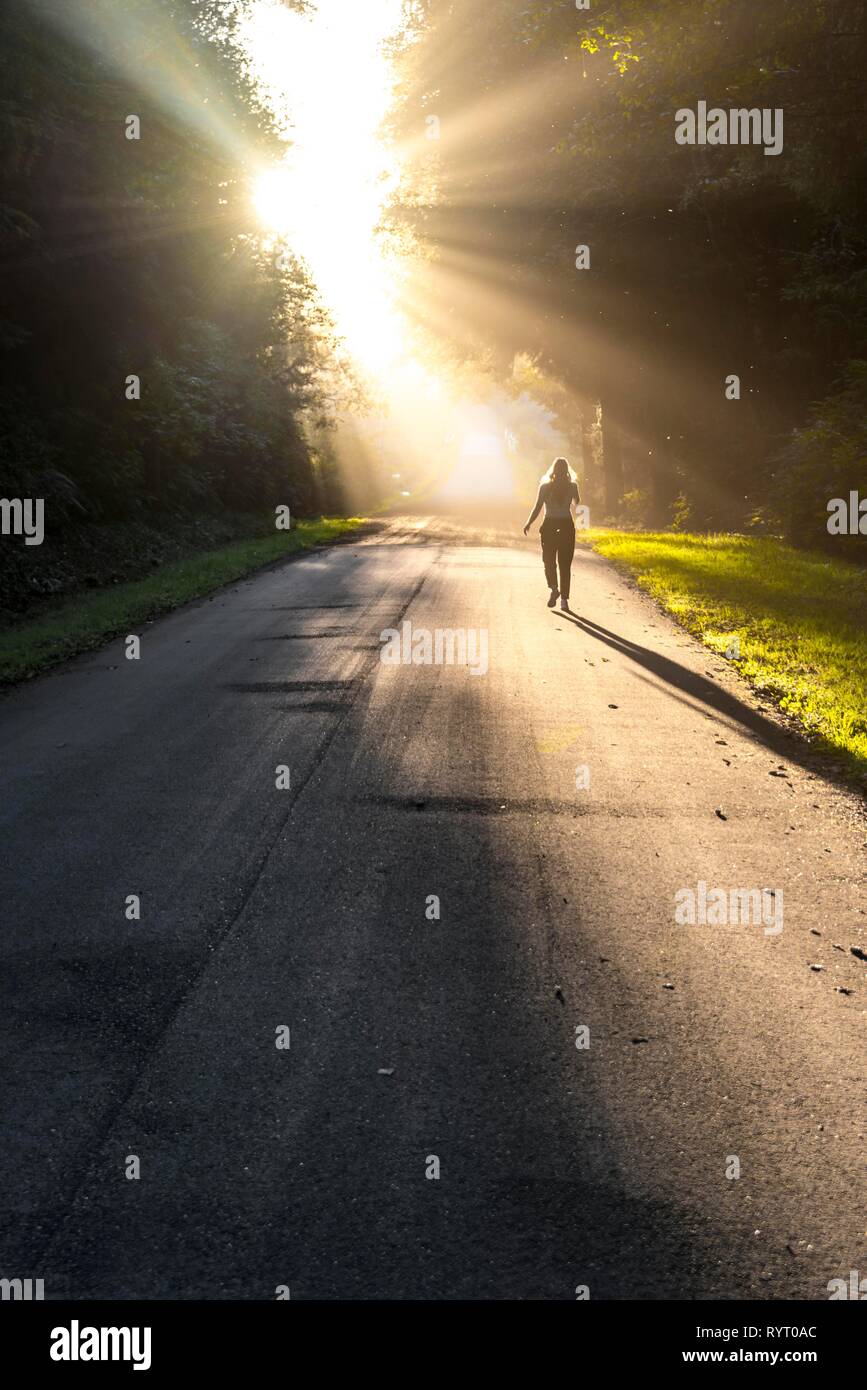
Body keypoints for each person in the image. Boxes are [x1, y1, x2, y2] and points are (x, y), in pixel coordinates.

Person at [523, 457, 580, 610]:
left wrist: (529, 523)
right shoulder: (572, 486)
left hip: (549, 526)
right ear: (567, 470)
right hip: (566, 526)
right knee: (565, 564)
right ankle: (564, 601)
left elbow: (537, 507)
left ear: (553, 470)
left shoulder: (545, 487)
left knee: (548, 560)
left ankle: (554, 588)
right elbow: (577, 503)